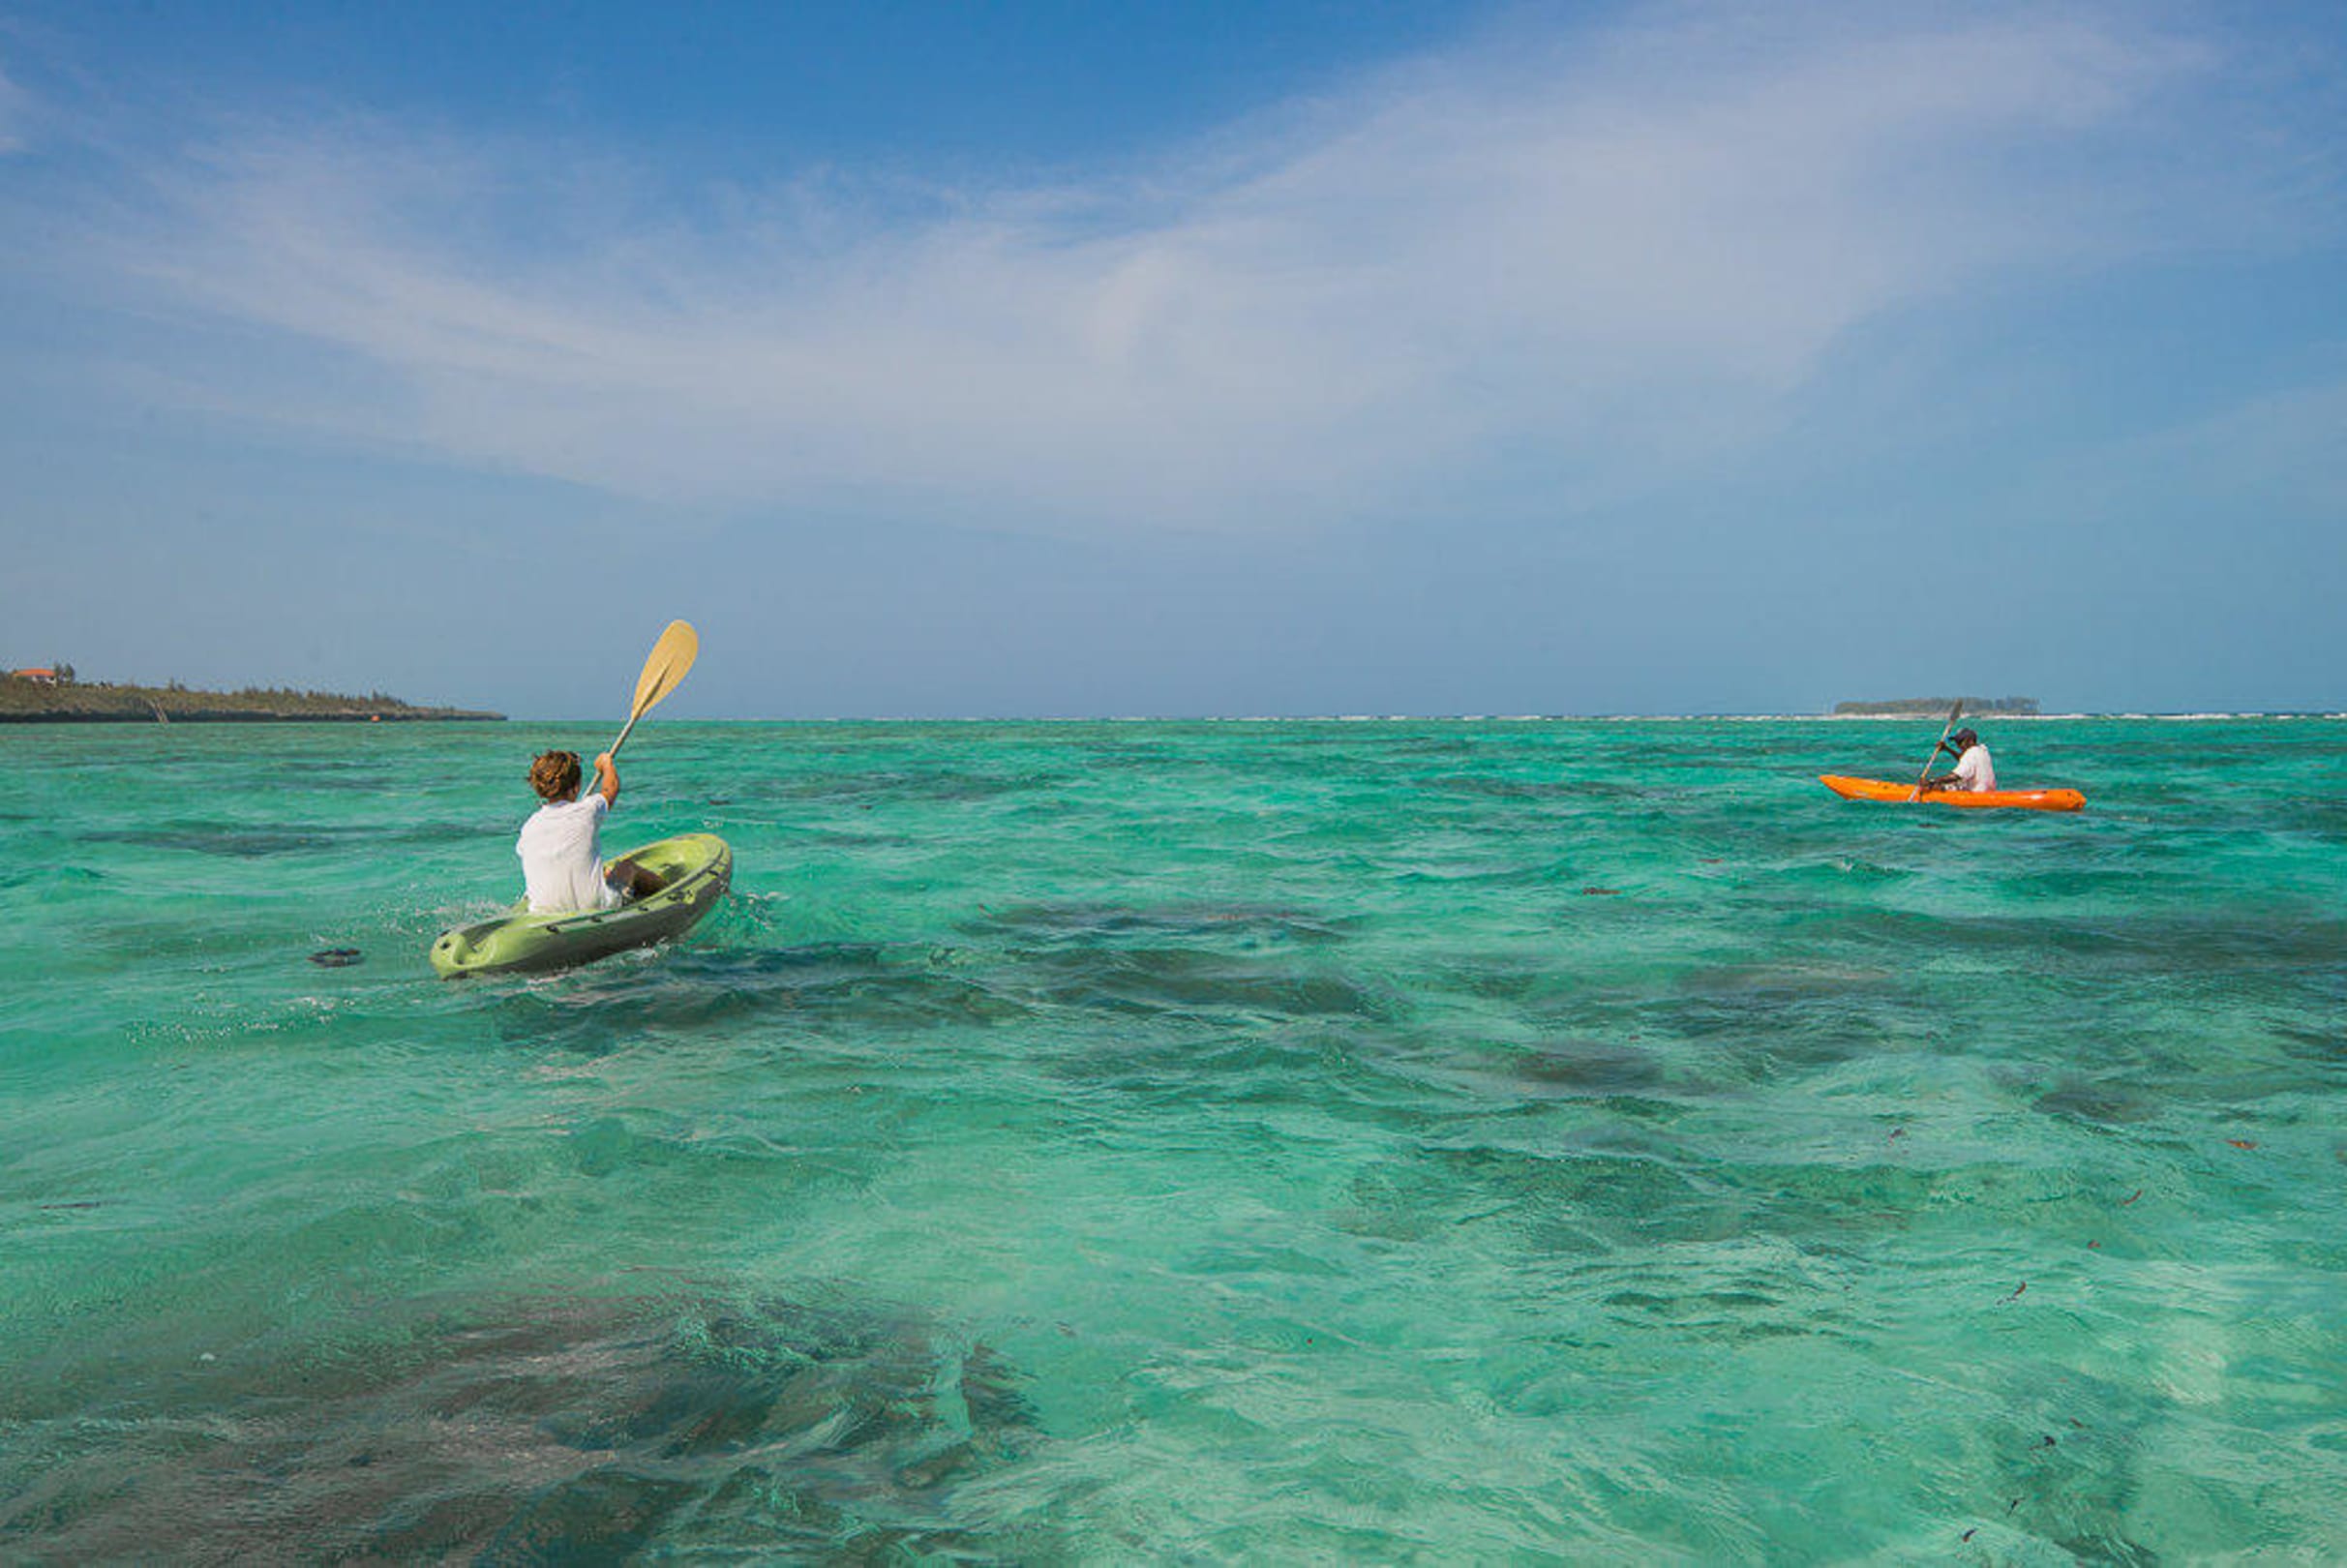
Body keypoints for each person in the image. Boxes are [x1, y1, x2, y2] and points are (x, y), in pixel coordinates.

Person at [517, 749, 663, 913]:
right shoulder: (587, 809)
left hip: (542, 912)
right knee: (627, 867)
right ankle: (671, 893)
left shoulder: (529, 827)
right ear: (576, 787)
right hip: (596, 907)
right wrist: (606, 764)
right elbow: (611, 788)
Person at [1923, 727, 1997, 794]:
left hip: (1977, 793)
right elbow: (1963, 758)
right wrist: (1947, 749)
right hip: (1988, 790)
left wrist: (1932, 781)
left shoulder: (1970, 755)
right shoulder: (1982, 749)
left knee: (1940, 785)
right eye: (1956, 742)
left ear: (1969, 740)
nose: (1958, 745)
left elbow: (1956, 776)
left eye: (1959, 742)